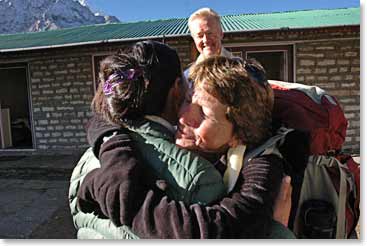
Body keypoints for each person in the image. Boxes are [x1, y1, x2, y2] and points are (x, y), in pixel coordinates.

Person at [77, 52, 294, 238]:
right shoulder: (181, 132)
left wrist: (119, 194)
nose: (184, 116)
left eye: (204, 114)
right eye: (189, 100)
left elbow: (219, 231)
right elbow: (105, 115)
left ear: (239, 136)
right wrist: (113, 150)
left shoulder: (263, 165)